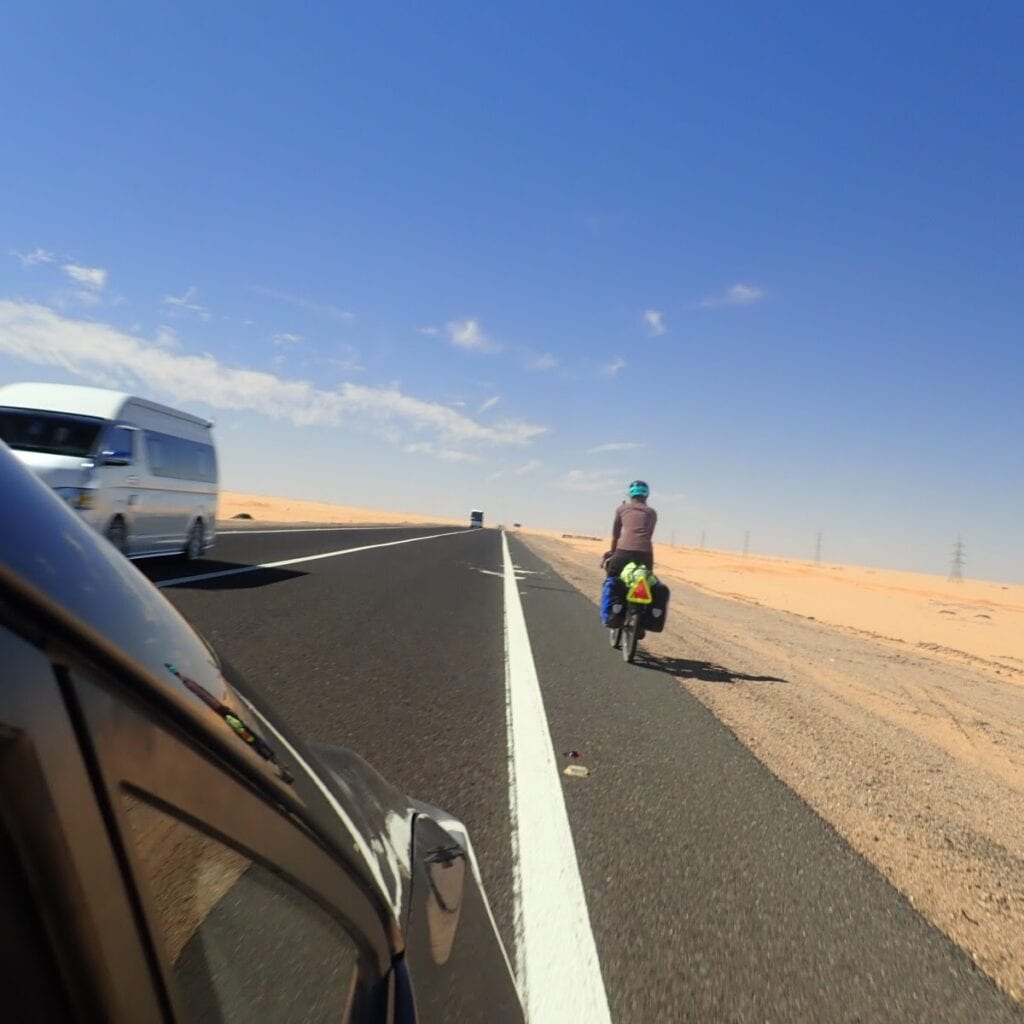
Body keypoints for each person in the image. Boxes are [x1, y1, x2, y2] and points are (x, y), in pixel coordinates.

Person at [602, 480, 657, 577]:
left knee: (611, 579)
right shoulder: (652, 512)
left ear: (630, 495)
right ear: (647, 495)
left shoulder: (621, 509)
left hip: (623, 551)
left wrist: (613, 552)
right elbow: (648, 535)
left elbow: (616, 535)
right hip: (645, 554)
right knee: (647, 583)